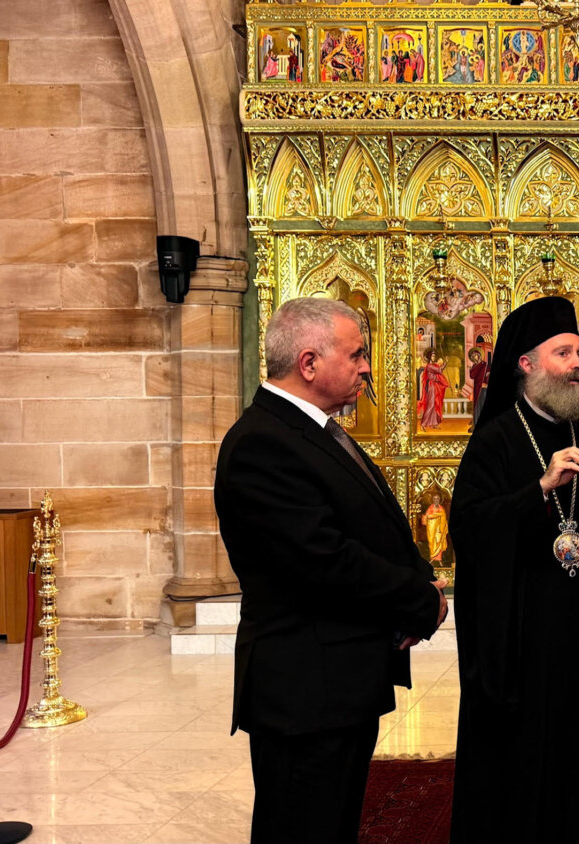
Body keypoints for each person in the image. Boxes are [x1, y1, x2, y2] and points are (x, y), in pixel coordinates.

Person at [214, 296, 448, 844]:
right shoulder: (262, 443)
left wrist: (419, 578)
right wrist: (418, 600)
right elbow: (324, 560)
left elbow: (374, 522)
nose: (367, 367)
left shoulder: (312, 430)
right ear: (309, 363)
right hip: (305, 689)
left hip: (336, 682)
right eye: (357, 354)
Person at [449, 296, 579, 844]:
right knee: (523, 767)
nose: (578, 363)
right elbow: (471, 529)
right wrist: (539, 488)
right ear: (526, 364)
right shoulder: (495, 440)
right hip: (522, 640)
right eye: (564, 353)